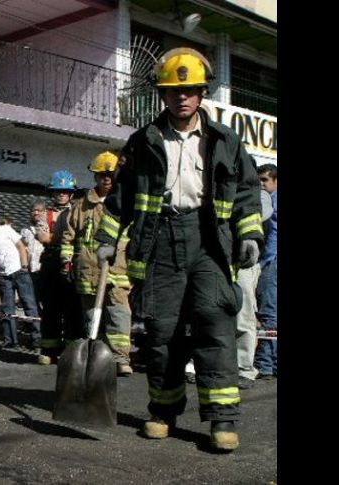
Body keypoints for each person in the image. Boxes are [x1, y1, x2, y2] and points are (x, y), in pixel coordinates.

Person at [93, 48, 264, 452]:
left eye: (189, 91)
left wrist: (250, 235)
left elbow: (246, 192)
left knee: (215, 327)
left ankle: (222, 420)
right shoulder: (143, 141)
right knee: (162, 332)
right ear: (162, 95)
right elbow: (121, 197)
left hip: (210, 243)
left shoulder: (226, 140)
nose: (181, 98)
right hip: (160, 241)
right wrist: (106, 240)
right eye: (172, 91)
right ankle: (162, 411)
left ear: (202, 93)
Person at [61, 152, 133, 375]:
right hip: (87, 270)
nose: (107, 179)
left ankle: (120, 359)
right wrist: (66, 260)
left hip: (117, 269)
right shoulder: (81, 206)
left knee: (119, 314)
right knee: (92, 317)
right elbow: (68, 236)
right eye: (102, 175)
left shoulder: (127, 204)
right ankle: (97, 359)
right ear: (95, 177)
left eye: (111, 174)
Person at [35, 171, 81, 365]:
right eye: (57, 191)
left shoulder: (79, 211)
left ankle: (71, 351)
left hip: (73, 263)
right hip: (52, 262)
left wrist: (58, 236)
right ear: (51, 194)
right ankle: (49, 349)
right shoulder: (45, 214)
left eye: (65, 191)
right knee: (51, 308)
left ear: (71, 194)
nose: (61, 194)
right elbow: (43, 237)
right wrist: (67, 238)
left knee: (73, 308)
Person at [0, 208, 40, 349]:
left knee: (29, 305)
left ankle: (36, 339)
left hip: (19, 272)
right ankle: (10, 340)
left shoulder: (5, 229)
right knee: (7, 309)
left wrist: (24, 265)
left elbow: (21, 246)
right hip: (3, 277)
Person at [236, 186, 273, 389]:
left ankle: (244, 369)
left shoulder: (257, 194)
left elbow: (263, 214)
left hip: (243, 261)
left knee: (244, 315)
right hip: (217, 259)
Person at [254, 164, 277, 380]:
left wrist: (264, 263)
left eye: (264, 180)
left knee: (268, 313)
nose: (261, 185)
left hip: (272, 260)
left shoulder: (271, 201)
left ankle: (265, 364)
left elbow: (272, 235)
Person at [21, 200, 48, 310]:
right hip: (31, 270)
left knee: (46, 299)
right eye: (33, 210)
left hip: (45, 269)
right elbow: (22, 249)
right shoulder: (25, 230)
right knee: (32, 299)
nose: (36, 213)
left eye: (39, 210)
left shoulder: (49, 227)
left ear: (44, 212)